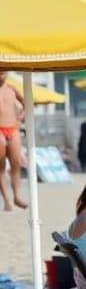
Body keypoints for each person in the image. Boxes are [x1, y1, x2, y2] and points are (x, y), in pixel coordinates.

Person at [0, 73, 26, 210]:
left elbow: (26, 103)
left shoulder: (11, 89)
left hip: (12, 128)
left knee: (15, 163)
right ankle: (6, 200)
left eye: (3, 72)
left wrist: (20, 118)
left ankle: (16, 196)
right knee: (1, 166)